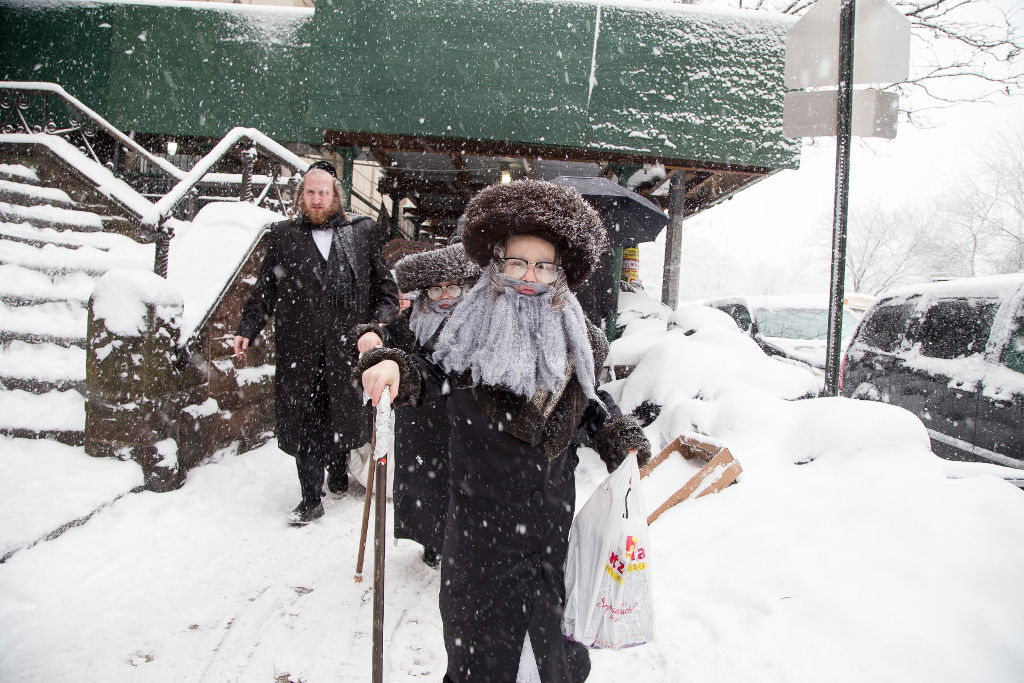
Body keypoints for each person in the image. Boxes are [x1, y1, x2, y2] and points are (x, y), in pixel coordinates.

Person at [359, 179, 651, 682]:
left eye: (543, 265)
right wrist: (393, 369)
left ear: (561, 272)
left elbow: (584, 403)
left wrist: (612, 433)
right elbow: (428, 373)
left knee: (551, 655)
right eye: (518, 263)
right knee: (482, 656)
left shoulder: (578, 339)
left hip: (549, 529)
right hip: (481, 534)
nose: (529, 277)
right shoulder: (467, 334)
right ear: (496, 266)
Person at [234, 161, 398, 525]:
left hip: (346, 349)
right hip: (299, 350)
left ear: (336, 196)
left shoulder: (361, 231)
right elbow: (265, 290)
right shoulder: (283, 235)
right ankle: (310, 498)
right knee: (306, 420)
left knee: (342, 414)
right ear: (300, 196)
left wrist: (379, 325)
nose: (317, 199)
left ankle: (338, 471)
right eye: (310, 192)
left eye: (324, 192)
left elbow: (383, 288)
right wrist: (249, 326)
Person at [385, 242, 480, 567]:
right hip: (420, 418)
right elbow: (386, 348)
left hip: (464, 418)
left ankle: (461, 540)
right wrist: (369, 334)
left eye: (452, 286)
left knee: (463, 483)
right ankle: (432, 540)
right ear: (425, 292)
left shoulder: (476, 322)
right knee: (426, 485)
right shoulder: (407, 322)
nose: (445, 296)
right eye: (436, 289)